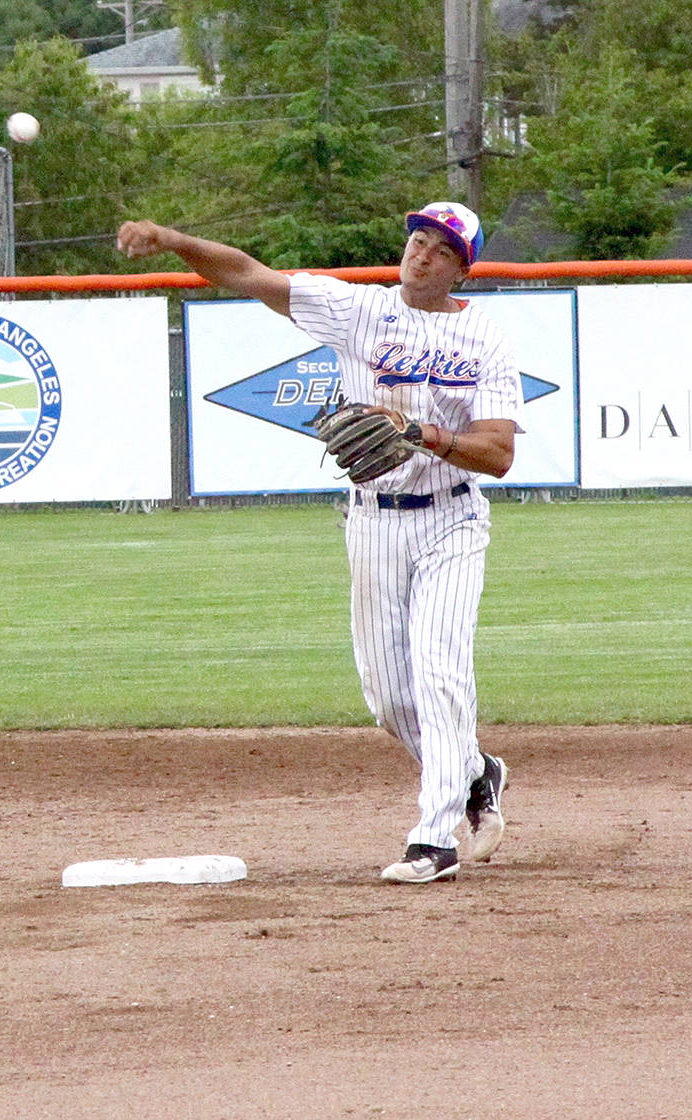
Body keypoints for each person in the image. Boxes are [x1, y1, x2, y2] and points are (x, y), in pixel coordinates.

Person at [118, 202, 521, 884]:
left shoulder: (485, 340)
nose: (422, 253)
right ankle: (475, 771)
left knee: (439, 672)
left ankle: (434, 839)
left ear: (460, 268)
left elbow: (500, 453)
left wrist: (424, 433)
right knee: (391, 698)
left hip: (452, 520)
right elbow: (247, 275)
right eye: (418, 240)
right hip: (372, 522)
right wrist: (169, 239)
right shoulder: (358, 311)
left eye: (440, 248)